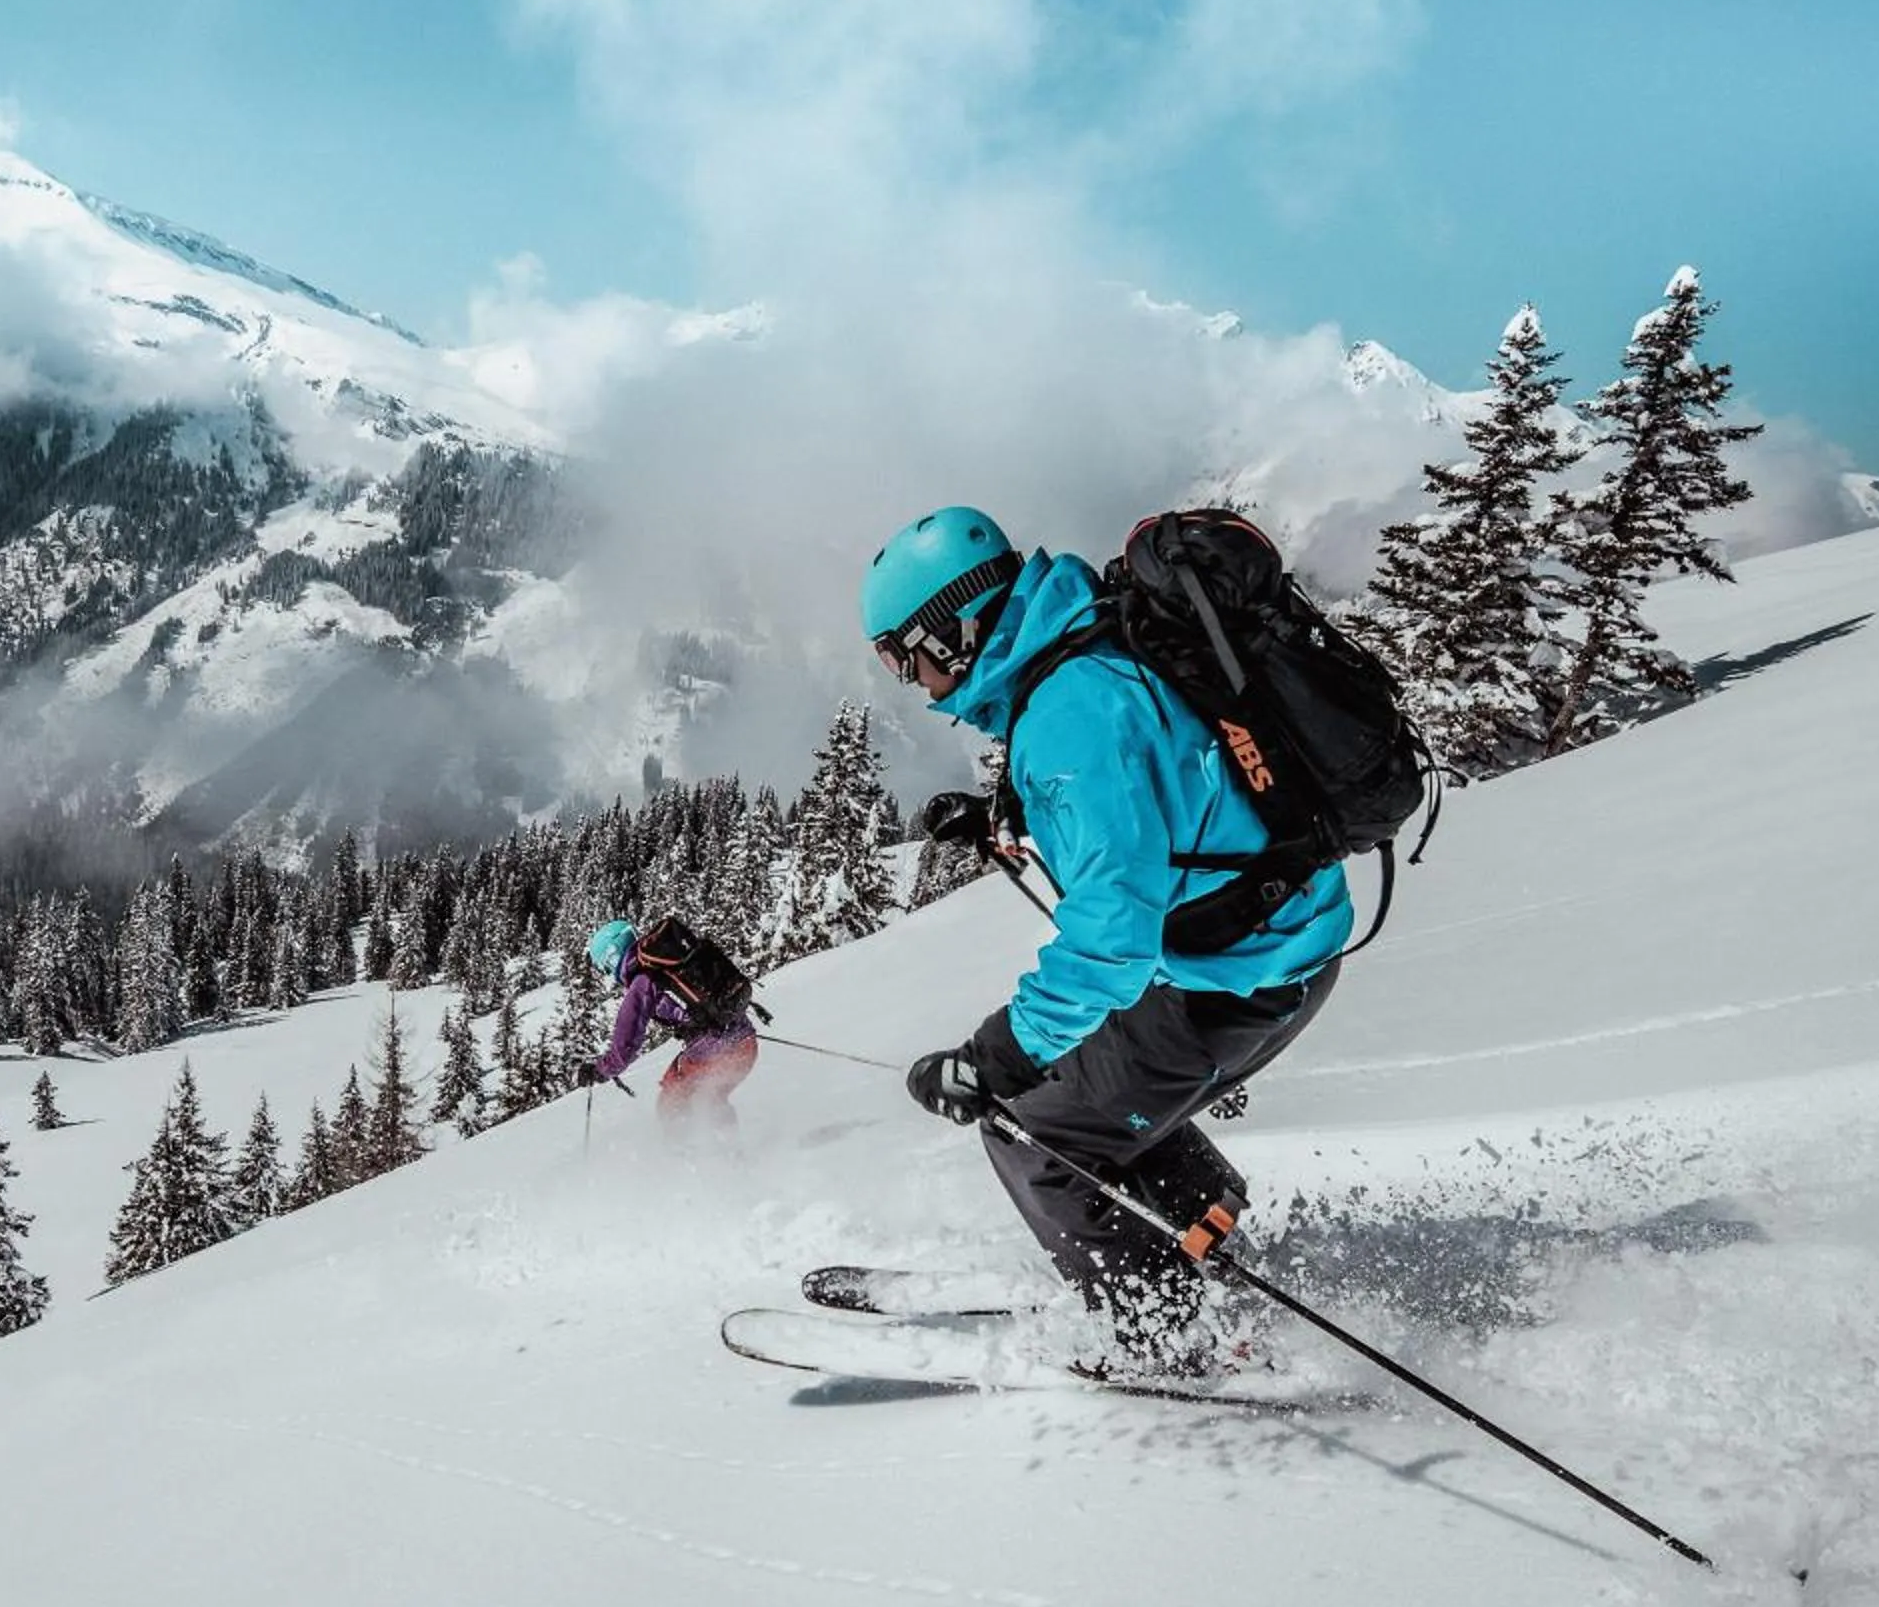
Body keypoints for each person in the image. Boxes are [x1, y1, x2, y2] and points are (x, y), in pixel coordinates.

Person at [860, 505, 1353, 1376]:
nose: (914, 682)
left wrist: (994, 1057)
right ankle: (1212, 1240)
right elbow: (1164, 779)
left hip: (1229, 979)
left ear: (957, 630)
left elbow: (1113, 937)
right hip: (1278, 946)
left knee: (1029, 1130)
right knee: (1094, 1091)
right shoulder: (1092, 643)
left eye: (906, 657)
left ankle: (1166, 1337)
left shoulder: (1068, 715)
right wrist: (1013, 808)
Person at [575, 919, 760, 1131]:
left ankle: (689, 1157)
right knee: (710, 1100)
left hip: (717, 1054)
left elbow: (625, 1045)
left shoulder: (643, 982)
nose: (610, 975)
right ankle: (731, 1154)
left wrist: (600, 1070)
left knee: (673, 1103)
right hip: (745, 1042)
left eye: (605, 968)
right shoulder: (672, 961)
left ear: (612, 956)